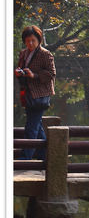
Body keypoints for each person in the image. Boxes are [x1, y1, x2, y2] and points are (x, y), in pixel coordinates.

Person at [15, 26, 56, 160]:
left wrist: (35, 75)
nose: (30, 44)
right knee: (37, 127)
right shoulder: (23, 53)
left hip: (40, 95)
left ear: (39, 40)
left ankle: (25, 158)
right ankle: (46, 156)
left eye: (33, 40)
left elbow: (51, 73)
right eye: (27, 41)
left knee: (31, 127)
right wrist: (19, 73)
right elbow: (21, 69)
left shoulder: (45, 54)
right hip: (27, 94)